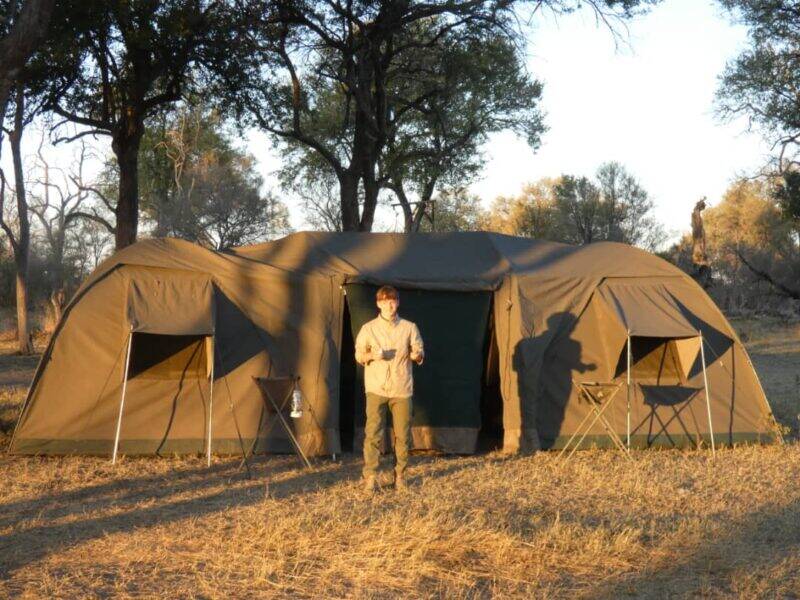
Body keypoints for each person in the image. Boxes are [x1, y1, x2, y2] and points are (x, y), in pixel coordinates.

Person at [355, 285, 424, 493]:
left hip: (401, 388)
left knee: (403, 435)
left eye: (392, 301)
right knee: (373, 433)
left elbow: (419, 351)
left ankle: (400, 475)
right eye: (385, 301)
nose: (389, 305)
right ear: (378, 304)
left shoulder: (409, 327)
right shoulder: (368, 328)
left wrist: (416, 355)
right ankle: (371, 477)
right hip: (376, 387)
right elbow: (358, 355)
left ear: (398, 302)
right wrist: (371, 356)